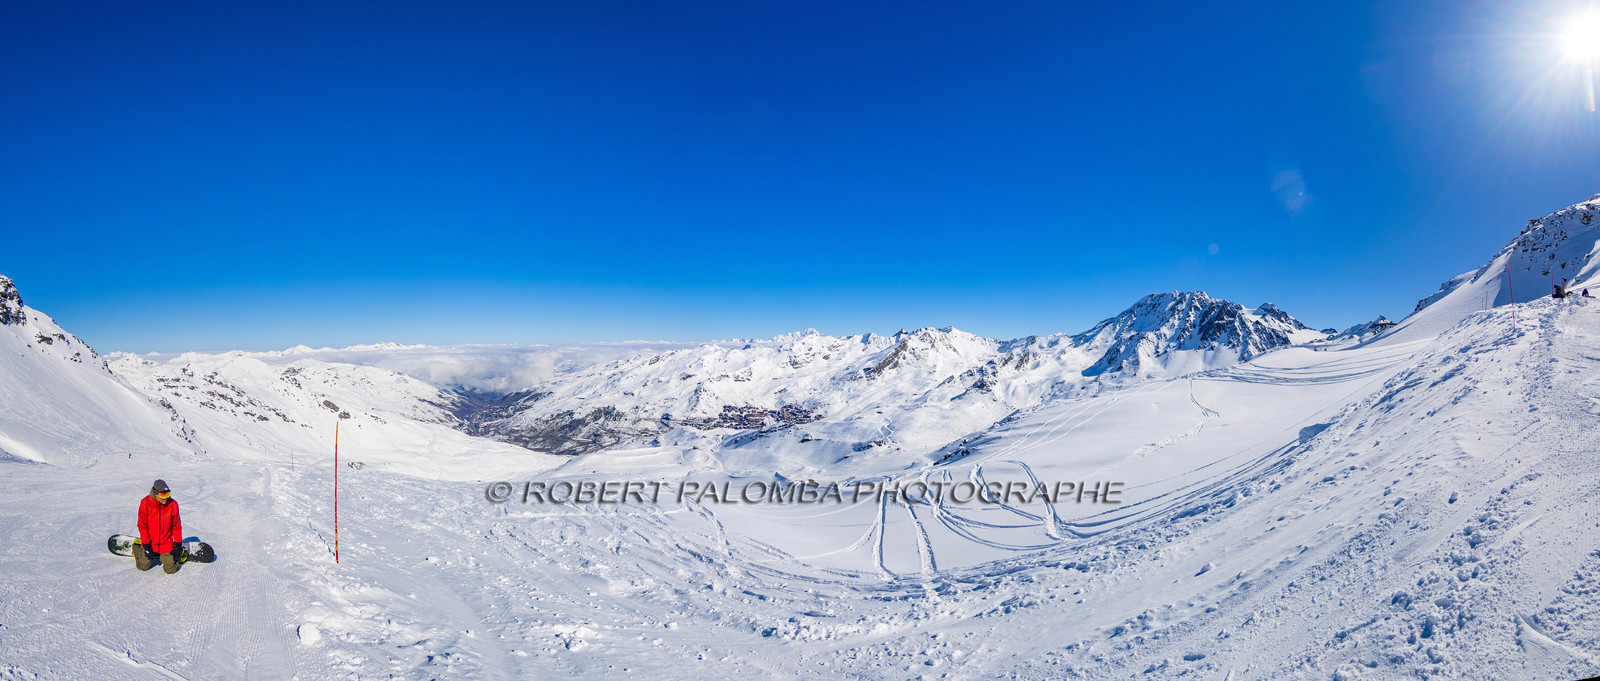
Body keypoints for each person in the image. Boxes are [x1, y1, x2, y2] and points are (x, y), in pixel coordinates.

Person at [136, 479, 183, 574]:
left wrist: (178, 544)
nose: (166, 498)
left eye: (168, 494)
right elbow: (142, 526)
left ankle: (170, 555)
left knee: (171, 570)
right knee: (142, 567)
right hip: (150, 542)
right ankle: (137, 547)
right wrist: (146, 544)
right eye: (163, 495)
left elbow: (176, 526)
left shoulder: (173, 505)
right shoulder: (145, 503)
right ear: (155, 494)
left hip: (166, 543)